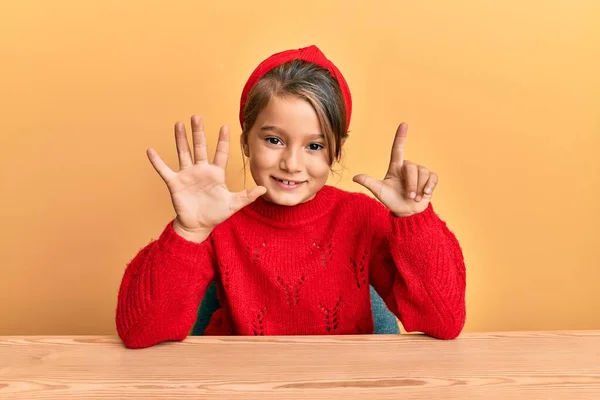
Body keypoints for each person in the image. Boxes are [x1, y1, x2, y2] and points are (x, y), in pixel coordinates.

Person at [116, 45, 466, 349]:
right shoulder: (216, 220)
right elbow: (139, 331)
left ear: (334, 154)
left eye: (314, 146)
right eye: (274, 140)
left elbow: (445, 321)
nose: (292, 164)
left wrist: (414, 220)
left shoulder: (361, 216)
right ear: (246, 143)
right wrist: (189, 232)